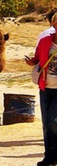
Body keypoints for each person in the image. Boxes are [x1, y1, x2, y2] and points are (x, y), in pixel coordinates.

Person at [25, 12, 57, 166]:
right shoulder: (45, 40)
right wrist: (32, 62)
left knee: (53, 121)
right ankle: (49, 158)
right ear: (54, 25)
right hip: (46, 86)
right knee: (46, 124)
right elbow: (38, 57)